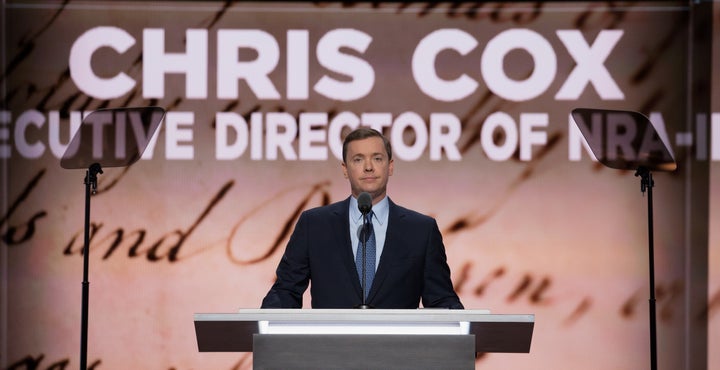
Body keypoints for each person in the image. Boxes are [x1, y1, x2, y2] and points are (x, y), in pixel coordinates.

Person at [261, 127, 463, 309]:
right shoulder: (314, 225)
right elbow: (285, 291)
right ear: (345, 169)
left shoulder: (421, 230)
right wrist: (265, 332)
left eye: (377, 158)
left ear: (390, 166)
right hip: (329, 348)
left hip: (398, 349)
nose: (368, 167)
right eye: (358, 159)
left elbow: (440, 300)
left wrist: (465, 336)